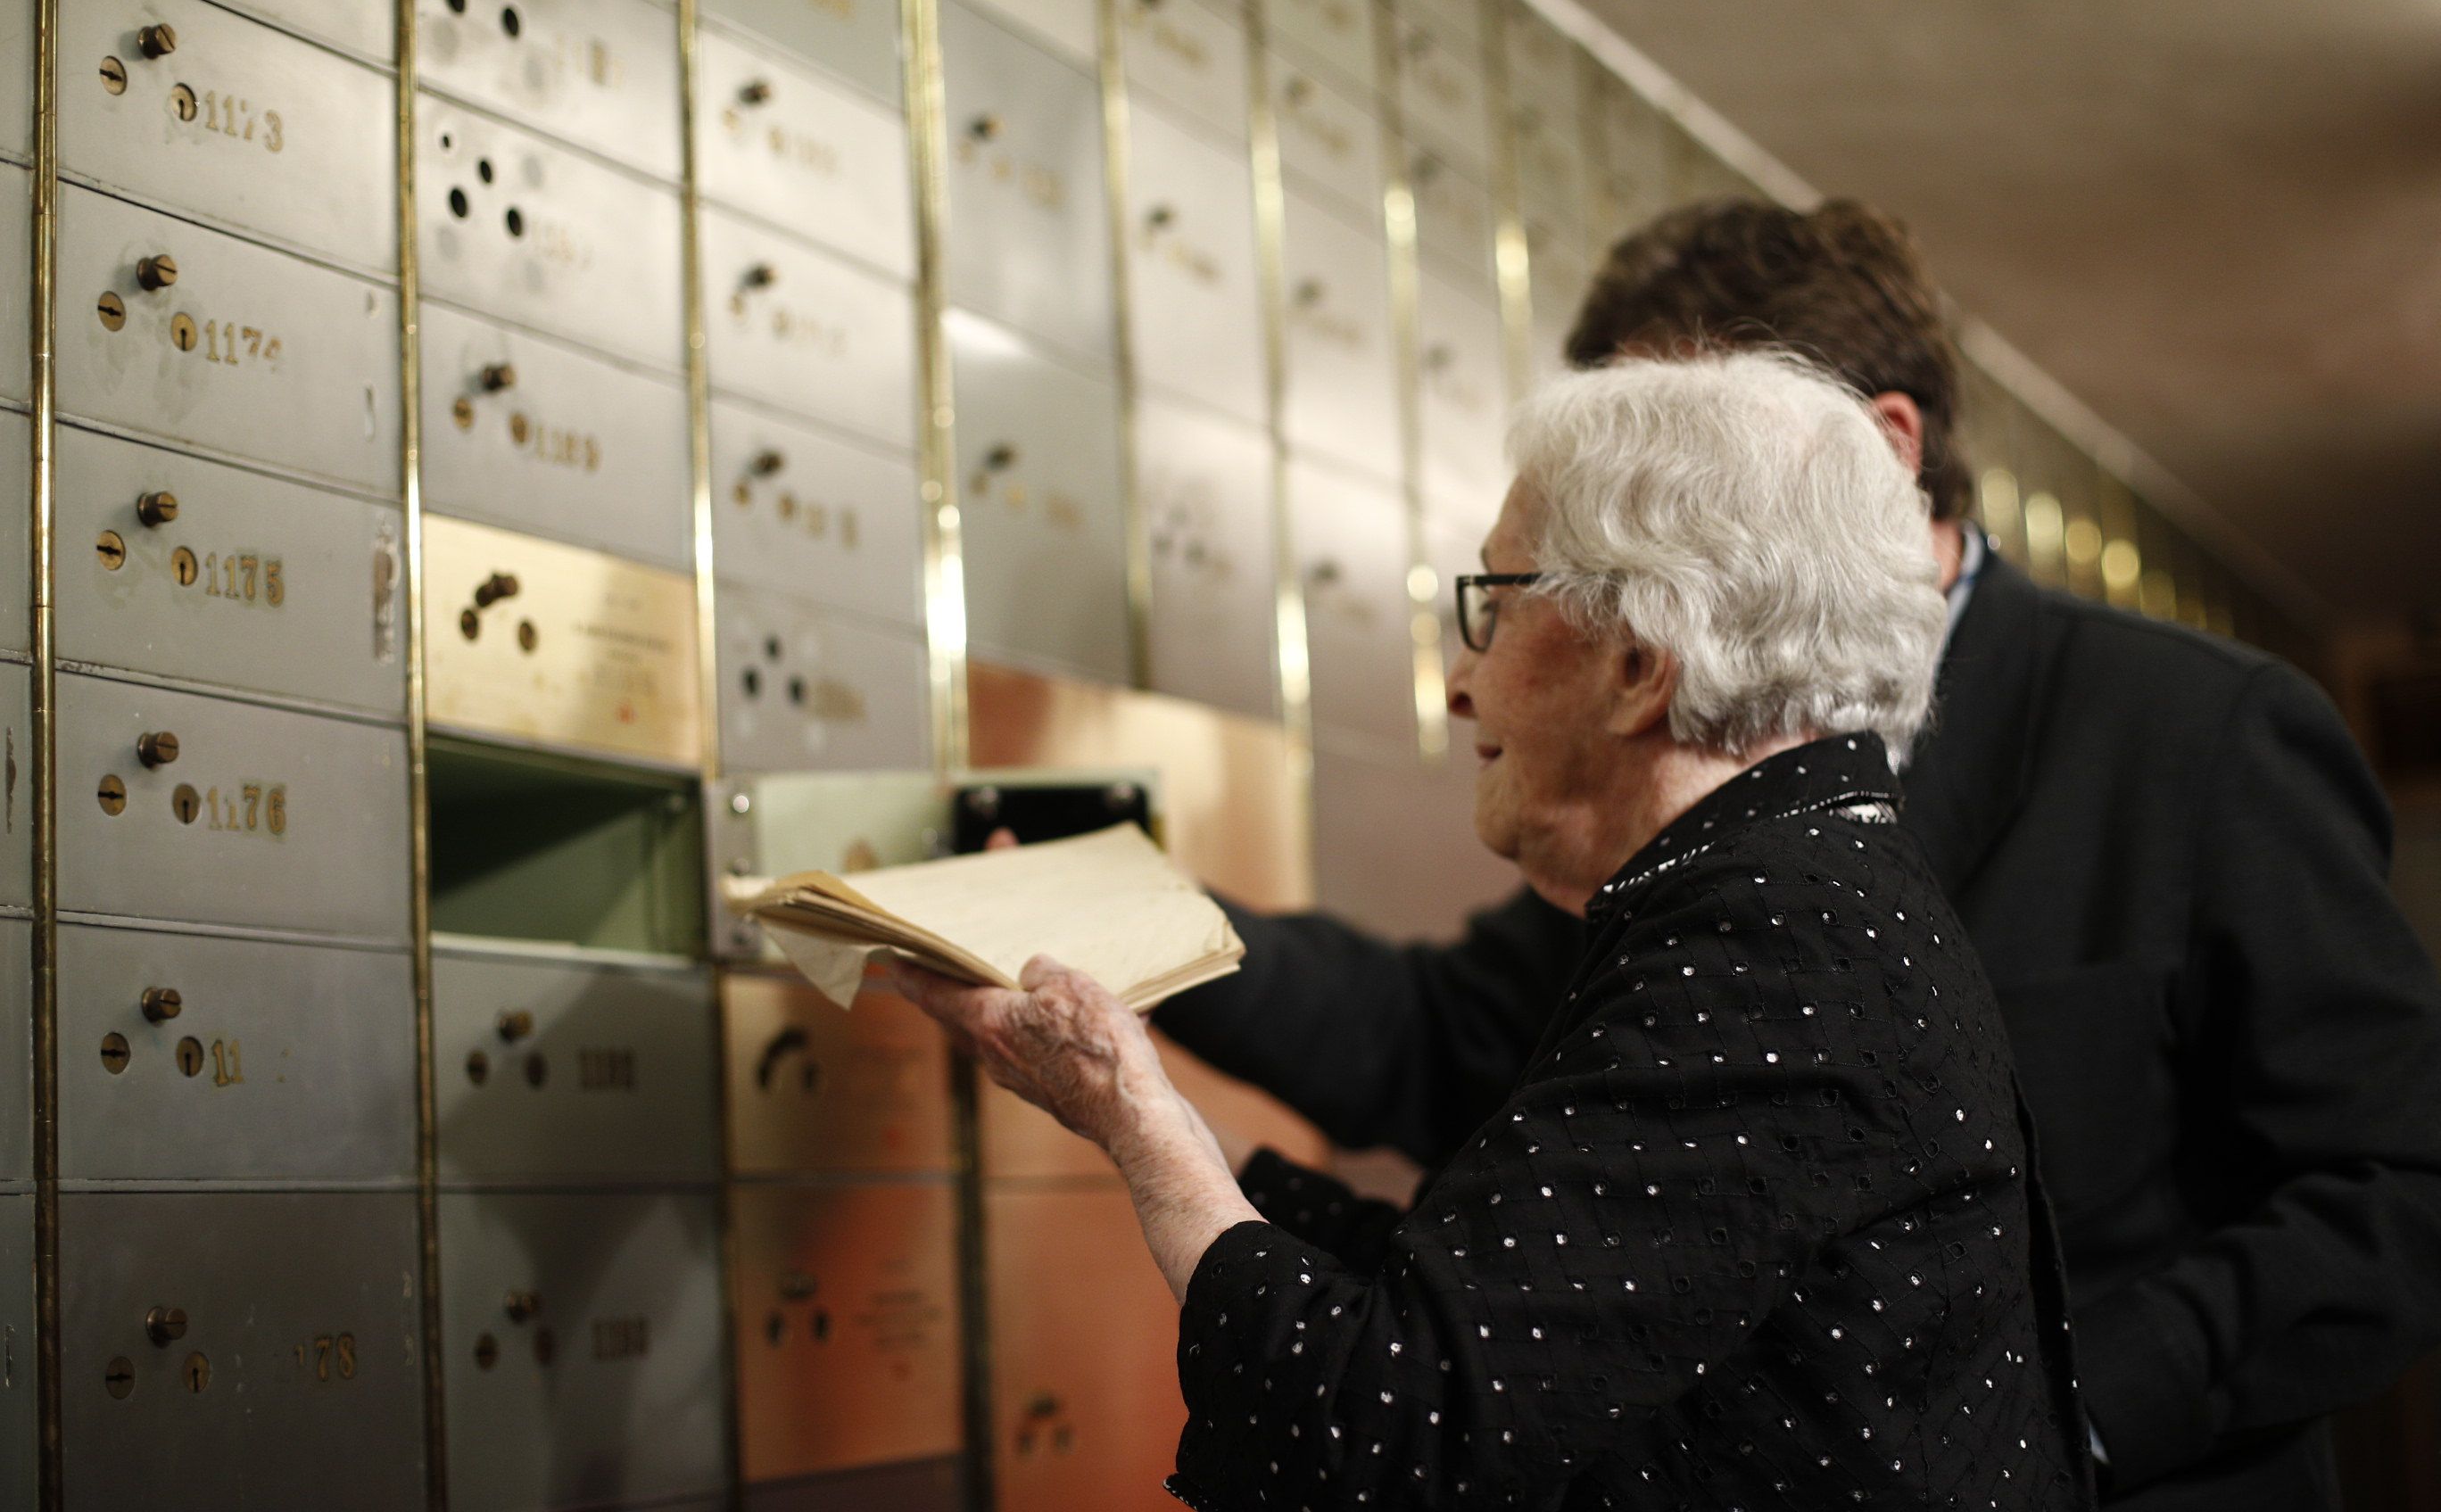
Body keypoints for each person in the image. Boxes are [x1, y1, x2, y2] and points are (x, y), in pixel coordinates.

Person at [1154, 199, 2441, 1511]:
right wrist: (1120, 930)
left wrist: (2044, 1409)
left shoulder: (2204, 733)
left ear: (1881, 450)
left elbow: (2399, 1185)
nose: (1619, 534)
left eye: (1672, 455)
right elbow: (1444, 1041)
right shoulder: (1675, 784)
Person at [898, 353, 2092, 1510]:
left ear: (1637, 665)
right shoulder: (1802, 885)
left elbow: (1388, 1430)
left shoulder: (1774, 944)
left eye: (1493, 606)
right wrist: (1169, 1121)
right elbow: (1526, 1314)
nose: (1460, 683)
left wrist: (1131, 1115)